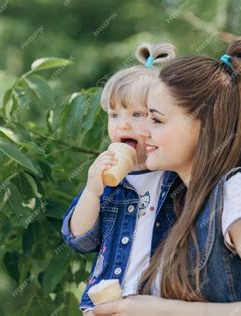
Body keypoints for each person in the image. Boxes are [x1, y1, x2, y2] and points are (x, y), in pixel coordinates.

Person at [93, 37, 241, 316]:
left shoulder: (239, 192)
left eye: (156, 119)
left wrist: (161, 311)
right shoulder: (179, 204)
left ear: (204, 125)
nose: (143, 131)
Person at [60, 43, 182, 315]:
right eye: (114, 115)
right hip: (107, 304)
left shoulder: (174, 175)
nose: (122, 125)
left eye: (137, 115)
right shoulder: (108, 182)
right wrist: (92, 192)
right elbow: (79, 240)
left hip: (159, 304)